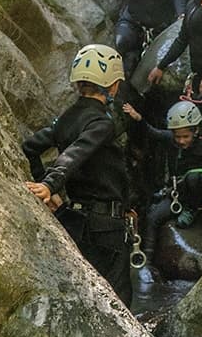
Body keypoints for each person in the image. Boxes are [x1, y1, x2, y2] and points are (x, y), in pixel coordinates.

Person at [23, 44, 132, 307]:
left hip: (76, 218)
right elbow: (77, 153)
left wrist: (47, 185)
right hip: (106, 225)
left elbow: (30, 147)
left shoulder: (67, 118)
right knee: (119, 300)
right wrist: (49, 185)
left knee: (90, 297)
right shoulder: (102, 123)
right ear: (113, 86)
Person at [123, 99, 202, 267]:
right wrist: (138, 118)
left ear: (196, 131)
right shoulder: (170, 140)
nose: (181, 141)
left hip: (199, 191)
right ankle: (146, 263)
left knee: (194, 177)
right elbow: (152, 132)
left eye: (185, 136)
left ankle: (191, 210)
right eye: (177, 136)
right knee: (152, 217)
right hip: (178, 192)